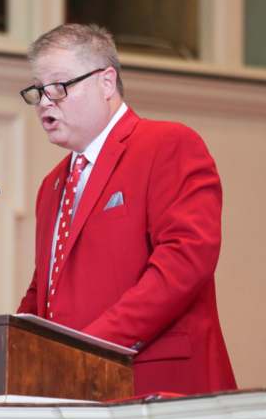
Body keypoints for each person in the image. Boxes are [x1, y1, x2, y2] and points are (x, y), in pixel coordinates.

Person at [17, 23, 236, 396]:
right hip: (74, 390)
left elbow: (185, 261)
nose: (45, 102)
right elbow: (45, 291)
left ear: (106, 82)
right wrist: (14, 346)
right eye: (37, 90)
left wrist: (92, 346)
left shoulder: (167, 145)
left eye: (59, 87)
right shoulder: (52, 186)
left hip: (155, 385)